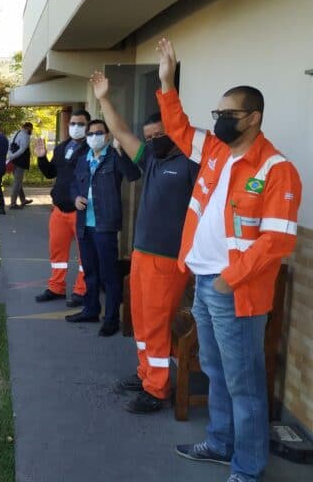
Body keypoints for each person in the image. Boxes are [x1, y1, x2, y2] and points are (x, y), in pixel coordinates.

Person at [156, 39, 301, 482]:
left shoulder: (276, 169)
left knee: (245, 383)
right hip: (203, 280)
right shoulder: (218, 153)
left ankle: (248, 466)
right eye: (217, 115)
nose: (218, 121)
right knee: (216, 370)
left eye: (228, 115)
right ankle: (220, 443)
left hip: (233, 289)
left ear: (253, 117)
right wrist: (166, 82)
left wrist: (226, 281)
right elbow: (180, 130)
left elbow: (277, 242)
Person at [90, 71, 199, 413]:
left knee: (155, 321)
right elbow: (120, 131)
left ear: (174, 132)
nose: (152, 140)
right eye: (149, 136)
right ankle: (146, 372)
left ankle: (156, 388)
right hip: (142, 254)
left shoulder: (192, 164)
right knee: (140, 317)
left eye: (159, 134)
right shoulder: (153, 159)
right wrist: (105, 98)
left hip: (168, 258)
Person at [67, 119, 141, 336]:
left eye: (98, 133)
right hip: (84, 225)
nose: (93, 137)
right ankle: (90, 309)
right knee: (89, 270)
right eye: (90, 133)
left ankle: (111, 319)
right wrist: (75, 198)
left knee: (109, 274)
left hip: (105, 225)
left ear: (107, 136)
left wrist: (122, 153)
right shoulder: (83, 159)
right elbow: (74, 184)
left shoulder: (114, 158)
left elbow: (134, 175)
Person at [33, 110, 91, 305]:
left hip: (81, 212)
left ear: (88, 126)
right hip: (59, 211)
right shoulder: (61, 147)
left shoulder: (91, 149)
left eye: (81, 124)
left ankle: (82, 291)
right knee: (57, 253)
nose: (75, 127)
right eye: (73, 123)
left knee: (85, 254)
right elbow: (50, 173)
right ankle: (56, 288)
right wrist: (41, 157)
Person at [6, 122, 34, 209]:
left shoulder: (15, 133)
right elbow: (21, 150)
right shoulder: (25, 136)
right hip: (20, 162)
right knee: (17, 182)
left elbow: (9, 145)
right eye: (31, 129)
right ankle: (13, 203)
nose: (31, 131)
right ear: (28, 128)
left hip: (13, 161)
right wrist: (12, 156)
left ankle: (23, 200)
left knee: (18, 181)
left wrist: (10, 156)